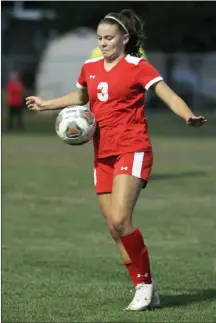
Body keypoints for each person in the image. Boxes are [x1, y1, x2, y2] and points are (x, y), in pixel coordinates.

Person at [26, 9, 206, 311]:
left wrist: (187, 115)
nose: (103, 43)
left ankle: (145, 285)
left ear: (125, 38)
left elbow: (168, 95)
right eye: (100, 38)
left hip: (132, 148)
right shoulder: (90, 67)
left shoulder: (139, 66)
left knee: (122, 219)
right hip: (102, 153)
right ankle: (145, 287)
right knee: (113, 227)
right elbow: (81, 98)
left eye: (109, 38)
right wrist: (46, 104)